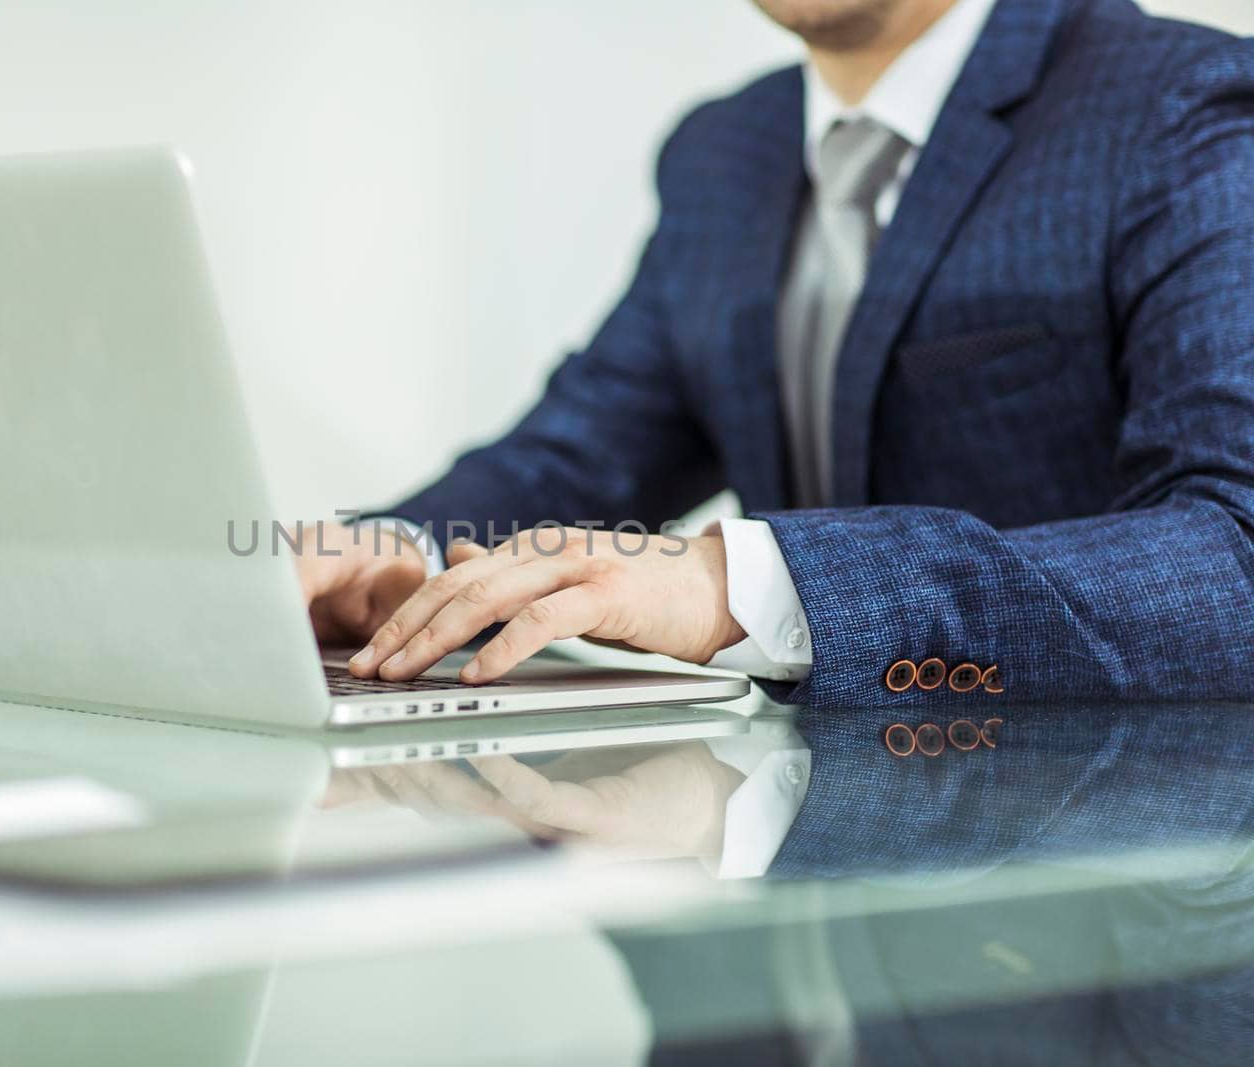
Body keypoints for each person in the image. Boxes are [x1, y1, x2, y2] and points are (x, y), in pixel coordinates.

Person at [301, 0, 1254, 708]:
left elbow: (1235, 549)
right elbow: (585, 453)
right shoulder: (726, 152)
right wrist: (404, 553)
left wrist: (745, 584)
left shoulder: (1183, 109)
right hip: (791, 874)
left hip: (1094, 882)